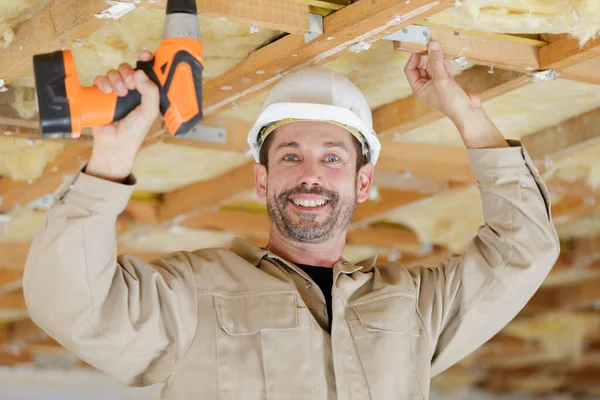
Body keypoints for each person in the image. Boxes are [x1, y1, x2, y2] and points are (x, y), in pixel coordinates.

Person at [23, 41, 559, 399]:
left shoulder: (415, 308)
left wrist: (464, 110)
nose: (310, 176)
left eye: (332, 158)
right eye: (289, 156)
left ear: (362, 183)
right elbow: (72, 305)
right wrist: (112, 155)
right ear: (261, 181)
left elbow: (525, 248)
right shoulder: (192, 295)